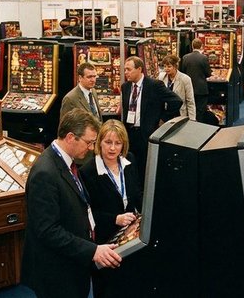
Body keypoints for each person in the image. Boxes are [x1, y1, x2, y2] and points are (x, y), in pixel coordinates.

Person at [22, 109, 121, 298]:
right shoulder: (45, 173)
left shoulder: (69, 163)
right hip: (57, 272)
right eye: (89, 142)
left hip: (73, 263)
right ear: (70, 137)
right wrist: (92, 250)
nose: (92, 148)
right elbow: (48, 230)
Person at [79, 120, 142, 297]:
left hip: (130, 237)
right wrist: (115, 218)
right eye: (108, 142)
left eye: (117, 143)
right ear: (99, 142)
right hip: (105, 240)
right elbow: (87, 214)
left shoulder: (130, 160)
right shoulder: (88, 171)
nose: (112, 148)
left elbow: (137, 193)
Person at [121, 56, 182, 185]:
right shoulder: (125, 87)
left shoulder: (154, 85)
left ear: (139, 69)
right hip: (129, 134)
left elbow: (176, 101)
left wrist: (162, 118)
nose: (125, 72)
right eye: (125, 69)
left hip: (146, 134)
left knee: (145, 169)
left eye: (128, 69)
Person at [181, 38, 212, 122]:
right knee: (200, 111)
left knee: (189, 109)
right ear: (201, 46)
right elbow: (208, 73)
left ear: (192, 46)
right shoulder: (204, 58)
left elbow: (182, 72)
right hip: (201, 88)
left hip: (188, 87)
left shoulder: (185, 57)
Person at [159, 55, 196, 120]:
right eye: (164, 66)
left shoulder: (185, 79)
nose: (166, 69)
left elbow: (190, 101)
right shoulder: (161, 77)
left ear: (175, 67)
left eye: (169, 66)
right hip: (165, 114)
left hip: (179, 113)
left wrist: (192, 119)